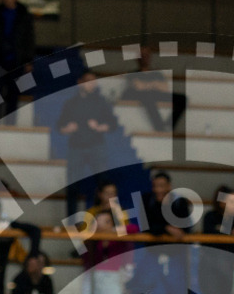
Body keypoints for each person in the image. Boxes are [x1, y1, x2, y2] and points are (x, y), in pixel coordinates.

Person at [57, 72, 117, 216]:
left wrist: (100, 127)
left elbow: (113, 124)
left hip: (96, 146)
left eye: (94, 81)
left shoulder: (101, 102)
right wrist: (67, 128)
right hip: (76, 147)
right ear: (80, 82)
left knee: (104, 185)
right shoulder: (71, 103)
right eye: (88, 81)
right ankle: (71, 221)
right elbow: (60, 126)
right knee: (72, 186)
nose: (92, 84)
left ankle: (107, 217)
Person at [119, 44, 187, 131]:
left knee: (182, 99)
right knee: (147, 96)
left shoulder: (156, 73)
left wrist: (146, 85)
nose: (145, 58)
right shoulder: (133, 73)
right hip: (143, 96)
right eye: (142, 55)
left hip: (155, 95)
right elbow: (138, 87)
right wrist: (155, 84)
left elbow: (165, 88)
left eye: (147, 55)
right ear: (137, 58)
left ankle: (169, 124)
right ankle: (160, 127)